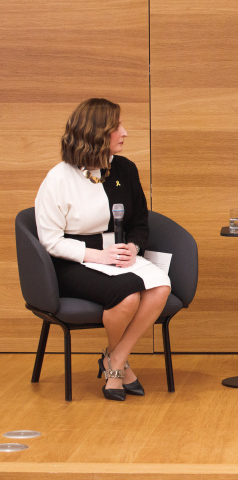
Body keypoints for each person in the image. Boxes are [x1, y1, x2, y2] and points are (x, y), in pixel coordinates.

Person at [35, 98, 171, 402]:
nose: (124, 132)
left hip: (119, 257)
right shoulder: (58, 178)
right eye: (116, 127)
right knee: (127, 297)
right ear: (96, 133)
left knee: (161, 286)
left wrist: (133, 248)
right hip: (73, 262)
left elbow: (140, 222)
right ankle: (118, 369)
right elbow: (50, 241)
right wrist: (97, 256)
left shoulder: (124, 169)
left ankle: (115, 359)